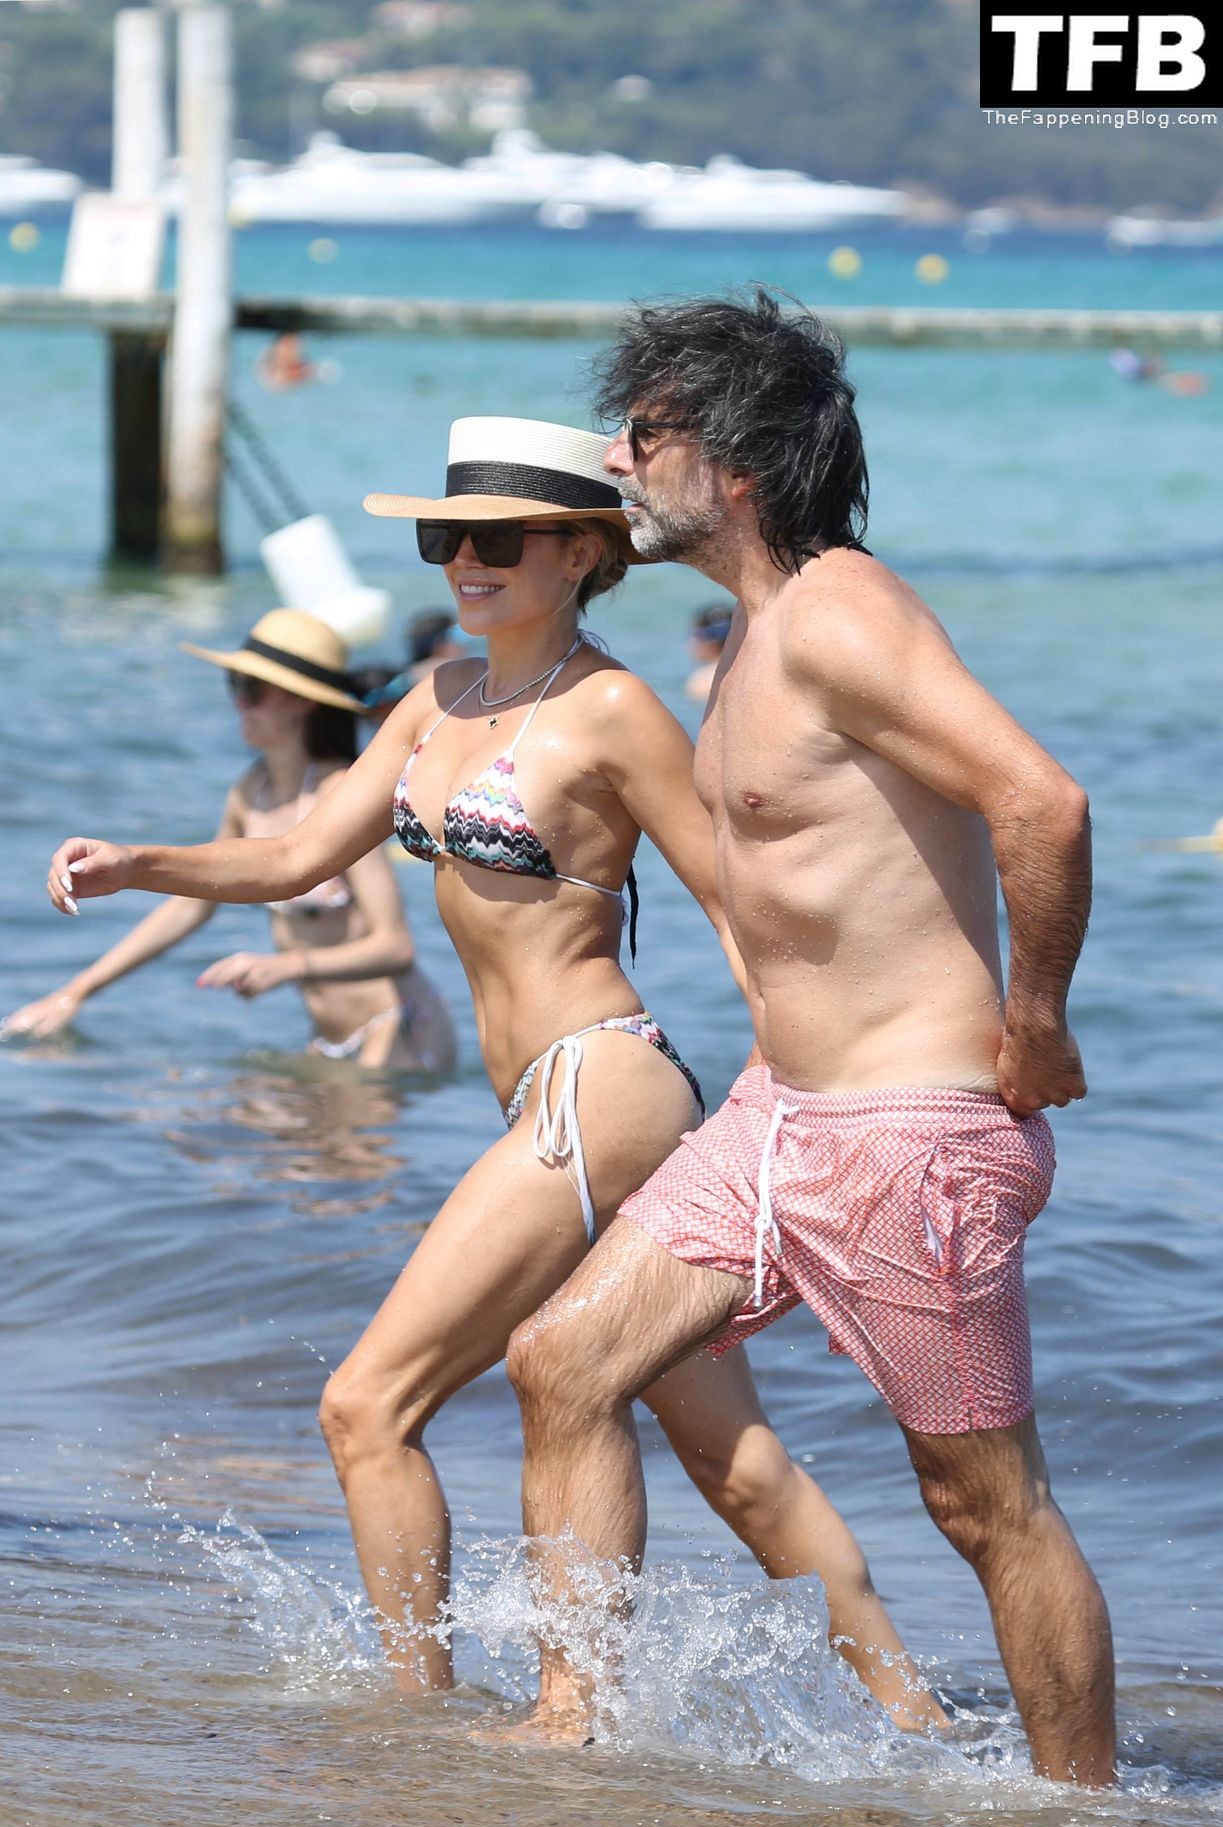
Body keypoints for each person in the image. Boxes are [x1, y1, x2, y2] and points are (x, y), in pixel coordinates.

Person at [44, 417, 944, 1733]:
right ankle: (919, 1723)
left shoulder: (614, 708)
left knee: (367, 1406)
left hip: (603, 1089)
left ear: (581, 552)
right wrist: (142, 862)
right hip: (545, 1104)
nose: (465, 560)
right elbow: (293, 860)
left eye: (498, 539)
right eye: (444, 536)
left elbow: (737, 908)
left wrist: (795, 1097)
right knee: (736, 1467)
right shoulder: (436, 696)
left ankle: (441, 1723)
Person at [497, 296, 1117, 1786]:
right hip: (778, 1121)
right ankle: (570, 1729)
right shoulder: (758, 636)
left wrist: (1034, 1019)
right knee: (562, 1362)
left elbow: (1041, 804)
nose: (614, 457)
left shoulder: (841, 616)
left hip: (910, 1131)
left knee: (981, 1503)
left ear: (735, 464)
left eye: (641, 432)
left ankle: (1084, 1825)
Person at [11, 610, 454, 1073]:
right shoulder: (250, 794)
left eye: (253, 690)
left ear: (303, 702)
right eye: (234, 685)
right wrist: (74, 993)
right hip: (328, 1043)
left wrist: (286, 966)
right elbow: (191, 905)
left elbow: (396, 946)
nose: (239, 703)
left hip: (396, 1032)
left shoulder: (341, 795)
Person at [354, 608, 467, 722]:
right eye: (457, 637)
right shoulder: (445, 670)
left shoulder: (409, 673)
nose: (463, 645)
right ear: (439, 643)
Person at [684, 602, 733, 704]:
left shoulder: (701, 681)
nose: (690, 644)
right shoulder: (747, 671)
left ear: (710, 643)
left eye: (695, 636)